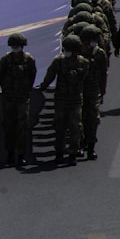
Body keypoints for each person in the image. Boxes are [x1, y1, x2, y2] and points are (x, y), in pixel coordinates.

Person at [38, 35, 90, 165]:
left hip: (75, 99)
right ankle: (59, 153)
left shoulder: (83, 63)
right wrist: (43, 86)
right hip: (61, 99)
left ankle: (73, 153)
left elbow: (84, 80)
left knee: (75, 127)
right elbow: (50, 75)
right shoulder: (58, 61)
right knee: (59, 127)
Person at [0, 32, 36, 167]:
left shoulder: (29, 60)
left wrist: (25, 90)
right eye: (14, 45)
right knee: (9, 126)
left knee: (22, 127)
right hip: (9, 98)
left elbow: (32, 75)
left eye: (18, 45)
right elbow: (1, 76)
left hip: (22, 98)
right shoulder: (5, 60)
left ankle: (21, 154)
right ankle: (10, 153)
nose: (16, 47)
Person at [79, 25, 108, 161]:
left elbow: (103, 73)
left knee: (93, 120)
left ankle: (91, 147)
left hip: (93, 91)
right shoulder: (77, 52)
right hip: (78, 91)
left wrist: (102, 90)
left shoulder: (99, 53)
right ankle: (79, 143)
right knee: (78, 119)